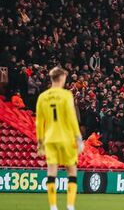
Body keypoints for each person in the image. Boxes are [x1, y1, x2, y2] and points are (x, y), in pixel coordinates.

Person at [36, 67, 83, 210]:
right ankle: (69, 206)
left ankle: (53, 206)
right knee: (72, 172)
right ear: (61, 78)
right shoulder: (66, 95)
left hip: (50, 138)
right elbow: (71, 117)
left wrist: (40, 142)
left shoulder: (43, 97)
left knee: (51, 173)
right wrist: (78, 137)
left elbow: (39, 121)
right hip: (66, 138)